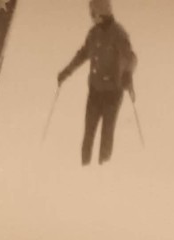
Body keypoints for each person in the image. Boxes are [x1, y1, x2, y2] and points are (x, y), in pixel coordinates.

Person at [57, 0, 137, 166]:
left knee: (106, 134)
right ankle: (84, 167)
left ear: (101, 13)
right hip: (95, 91)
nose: (91, 17)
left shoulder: (118, 34)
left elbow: (131, 58)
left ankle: (103, 169)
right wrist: (67, 71)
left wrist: (128, 74)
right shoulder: (93, 33)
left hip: (112, 93)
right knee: (88, 133)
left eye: (92, 13)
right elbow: (83, 53)